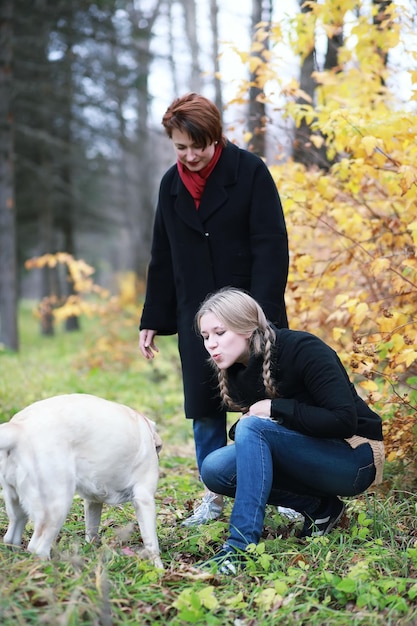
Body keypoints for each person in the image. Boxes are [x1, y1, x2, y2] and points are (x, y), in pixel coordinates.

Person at [139, 93, 289, 526]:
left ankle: (283, 492)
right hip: (197, 319)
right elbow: (162, 255)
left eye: (197, 146)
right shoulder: (171, 185)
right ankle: (214, 495)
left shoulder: (250, 173)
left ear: (215, 137)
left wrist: (260, 314)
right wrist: (153, 317)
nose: (190, 156)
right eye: (180, 147)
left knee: (263, 403)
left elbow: (271, 246)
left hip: (249, 316)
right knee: (205, 409)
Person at [194, 287, 385, 574]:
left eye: (220, 332)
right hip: (311, 456)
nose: (211, 344)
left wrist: (275, 409)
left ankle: (239, 547)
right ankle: (321, 508)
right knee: (215, 468)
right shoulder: (237, 372)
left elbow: (344, 420)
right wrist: (259, 418)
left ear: (247, 327)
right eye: (206, 336)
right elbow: (262, 428)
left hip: (355, 456)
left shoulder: (302, 348)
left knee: (253, 429)